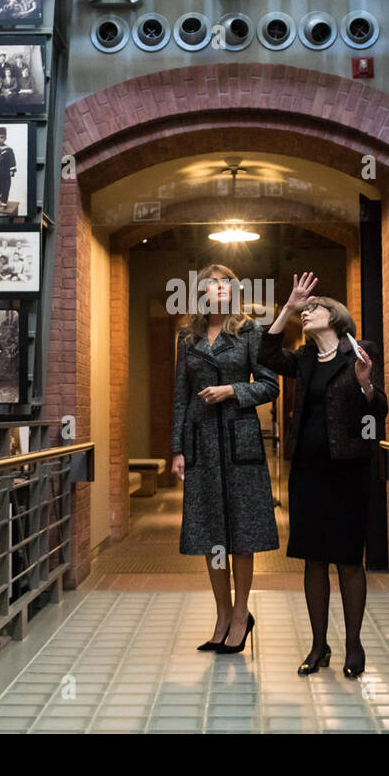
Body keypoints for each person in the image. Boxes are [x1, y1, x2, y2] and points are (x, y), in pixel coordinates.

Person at [259, 272, 387, 679]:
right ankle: (319, 647)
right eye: (306, 310)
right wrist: (288, 307)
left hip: (349, 471)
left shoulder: (360, 353)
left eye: (314, 308)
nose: (307, 313)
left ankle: (353, 645)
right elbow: (265, 355)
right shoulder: (304, 358)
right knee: (313, 560)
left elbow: (378, 411)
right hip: (308, 472)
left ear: (336, 317)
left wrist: (367, 388)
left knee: (349, 561)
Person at [170, 264, 280, 655]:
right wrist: (178, 449)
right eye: (210, 283)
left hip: (240, 445)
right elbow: (181, 396)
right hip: (201, 446)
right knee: (208, 534)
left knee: (242, 533)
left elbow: (270, 385)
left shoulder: (250, 331)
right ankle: (221, 614)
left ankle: (240, 614)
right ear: (200, 292)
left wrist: (231, 390)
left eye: (224, 283)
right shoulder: (188, 337)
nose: (217, 288)